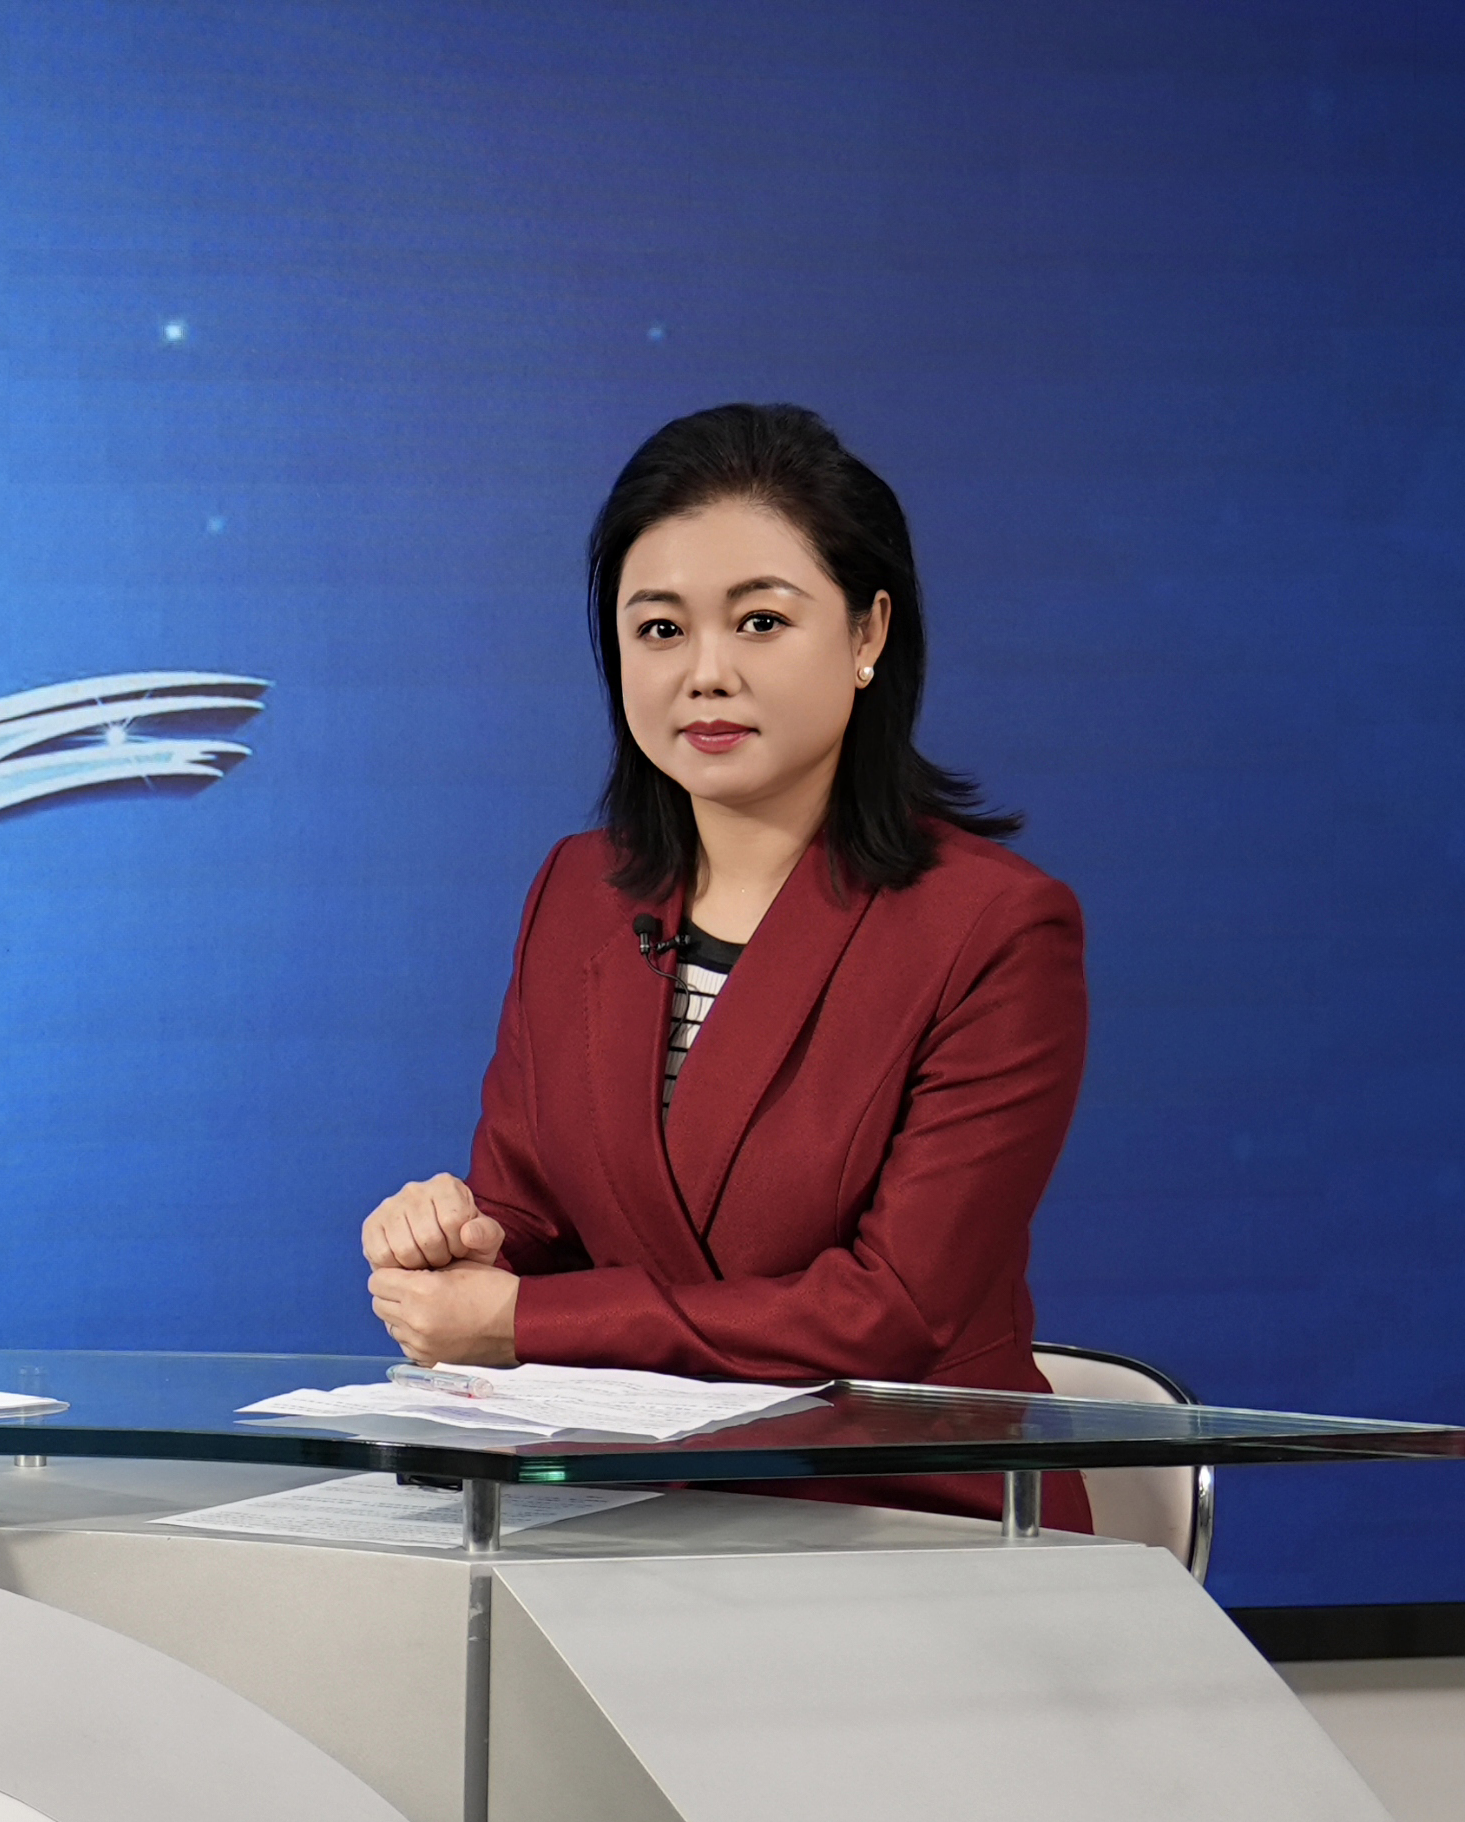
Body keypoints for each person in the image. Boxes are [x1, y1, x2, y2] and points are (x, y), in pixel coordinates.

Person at [358, 402, 1089, 1527]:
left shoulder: (993, 928)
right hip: (624, 1499)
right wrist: (457, 1244)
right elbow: (532, 1214)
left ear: (867, 634)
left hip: (902, 1515)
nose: (705, 673)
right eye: (660, 629)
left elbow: (888, 1313)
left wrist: (518, 1322)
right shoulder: (578, 891)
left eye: (759, 622)